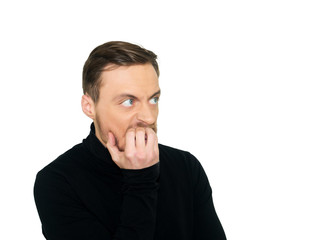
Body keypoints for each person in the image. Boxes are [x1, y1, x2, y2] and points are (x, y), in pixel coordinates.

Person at [34, 41, 227, 240]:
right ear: (89, 107)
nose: (149, 117)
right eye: (128, 102)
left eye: (153, 99)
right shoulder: (57, 182)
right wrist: (141, 179)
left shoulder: (185, 166)